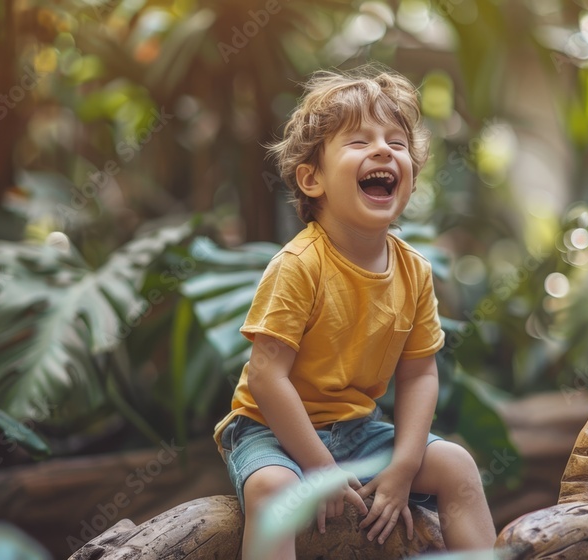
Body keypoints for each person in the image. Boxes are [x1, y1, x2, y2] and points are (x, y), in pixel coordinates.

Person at [213, 64, 496, 559]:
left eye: (397, 143)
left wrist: (404, 467)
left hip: (358, 431)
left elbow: (419, 375)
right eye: (359, 142)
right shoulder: (299, 266)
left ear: (408, 180)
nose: (383, 150)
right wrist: (320, 469)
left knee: (456, 466)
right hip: (271, 431)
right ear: (312, 179)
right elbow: (266, 378)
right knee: (273, 491)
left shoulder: (414, 272)